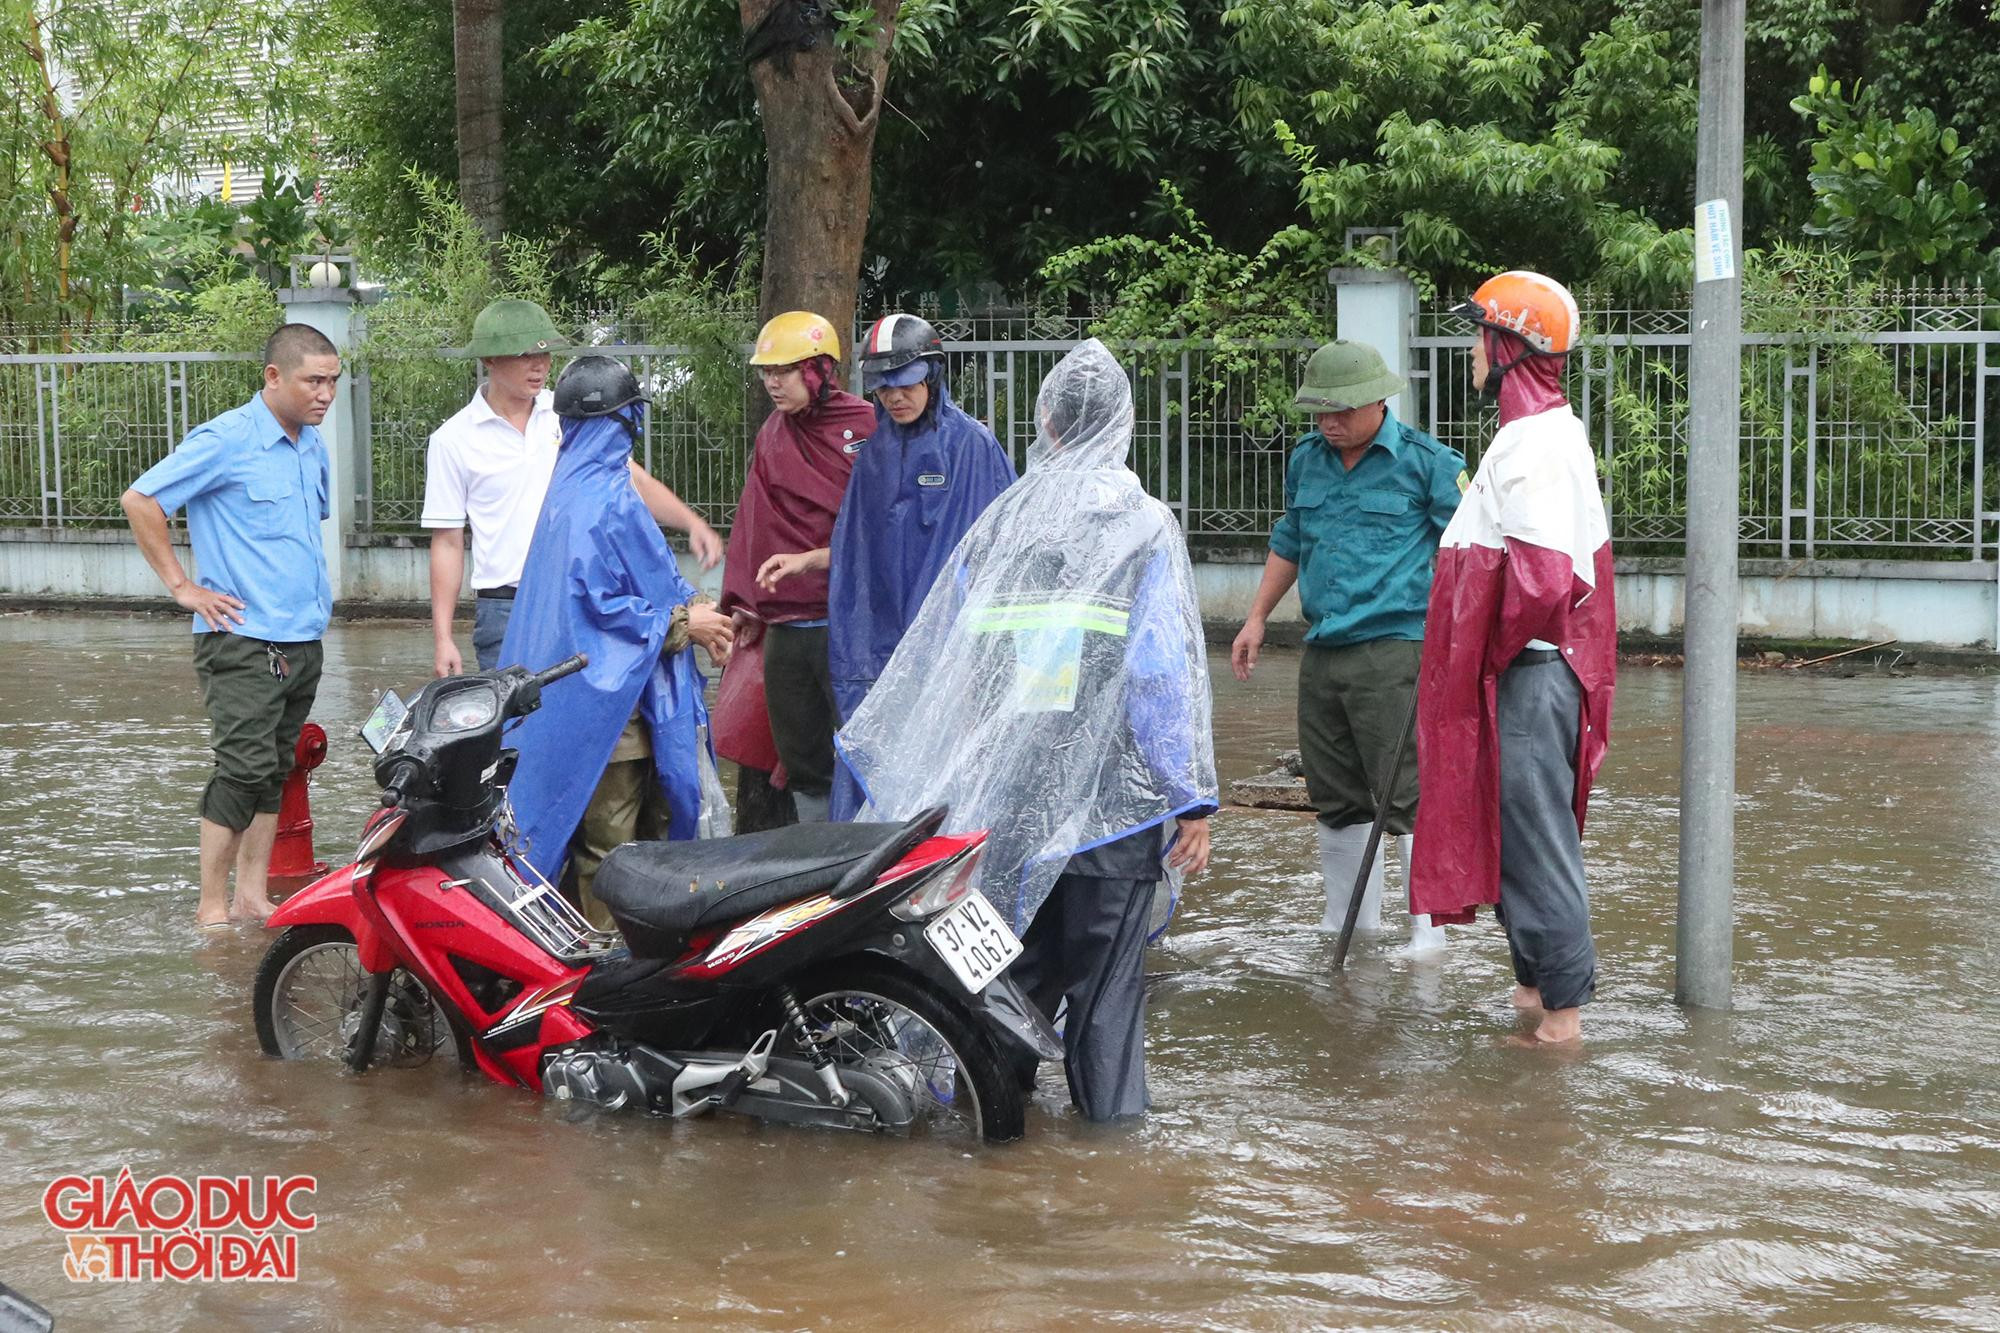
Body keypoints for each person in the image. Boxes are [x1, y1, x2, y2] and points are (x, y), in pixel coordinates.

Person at [840, 340, 1217, 1122]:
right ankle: (1110, 1174)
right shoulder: (1145, 527)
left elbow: (953, 668)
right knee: (1108, 997)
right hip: (1114, 809)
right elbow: (1160, 677)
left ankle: (986, 1132)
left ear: (1044, 421)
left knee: (1006, 975)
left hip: (1007, 800)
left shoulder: (1001, 523)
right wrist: (1190, 797)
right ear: (1123, 423)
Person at [1411, 271, 1616, 1045]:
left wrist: (1479, 668)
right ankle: (1534, 998)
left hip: (1526, 677)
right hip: (1527, 674)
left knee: (1536, 844)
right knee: (1516, 838)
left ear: (1506, 345)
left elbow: (1536, 581)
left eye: (1477, 335)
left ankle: (1562, 1020)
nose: (1469, 349)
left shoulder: (1534, 445)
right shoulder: (1536, 434)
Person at [1230, 340, 1464, 954]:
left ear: (1378, 402)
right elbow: (1291, 538)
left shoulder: (1428, 464)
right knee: (1334, 793)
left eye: (1340, 412)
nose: (1328, 424)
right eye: (1318, 414)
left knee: (1405, 790)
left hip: (1395, 649)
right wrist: (1256, 618)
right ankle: (1348, 925)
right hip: (1325, 648)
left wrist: (1459, 643)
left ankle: (1427, 935)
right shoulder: (1308, 460)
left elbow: (1471, 553)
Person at [497, 357, 734, 929]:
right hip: (608, 712)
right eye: (629, 420)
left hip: (611, 701)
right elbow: (600, 612)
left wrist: (694, 610)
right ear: (619, 422)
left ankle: (631, 955)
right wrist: (686, 625)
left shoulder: (583, 488)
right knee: (612, 851)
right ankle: (605, 969)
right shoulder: (597, 500)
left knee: (629, 843)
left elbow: (639, 583)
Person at [120, 323, 340, 928]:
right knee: (242, 768)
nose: (325, 394)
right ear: (274, 377)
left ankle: (251, 895)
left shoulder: (311, 445)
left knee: (276, 766)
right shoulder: (226, 439)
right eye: (313, 381)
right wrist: (183, 587)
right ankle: (210, 908)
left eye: (333, 382)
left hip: (302, 637)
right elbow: (142, 501)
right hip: (243, 639)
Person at [422, 298, 723, 676]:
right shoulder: (453, 439)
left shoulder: (570, 414)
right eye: (525, 355)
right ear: (490, 360)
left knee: (588, 722)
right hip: (507, 609)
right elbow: (447, 541)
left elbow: (630, 477)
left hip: (580, 599)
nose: (540, 366)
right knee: (516, 727)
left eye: (546, 355)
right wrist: (443, 637)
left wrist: (692, 524)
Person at [825, 313, 1016, 819]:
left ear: (933, 375)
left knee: (949, 773)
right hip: (879, 645)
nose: (894, 397)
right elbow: (855, 557)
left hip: (954, 647)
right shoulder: (873, 456)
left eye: (905, 384)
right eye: (883, 388)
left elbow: (1003, 552)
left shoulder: (972, 446)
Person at [719, 310, 875, 824]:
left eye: (783, 370)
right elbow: (753, 518)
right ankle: (817, 859)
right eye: (766, 371)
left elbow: (881, 524)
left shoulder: (867, 425)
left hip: (848, 623)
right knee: (803, 760)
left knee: (868, 752)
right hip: (786, 628)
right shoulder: (772, 433)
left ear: (819, 370)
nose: (772, 382)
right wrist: (744, 603)